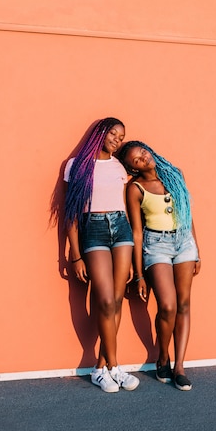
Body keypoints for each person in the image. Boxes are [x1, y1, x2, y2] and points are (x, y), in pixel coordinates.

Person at [62, 117, 139, 393]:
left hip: (121, 229)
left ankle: (102, 367)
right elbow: (69, 213)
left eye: (122, 137)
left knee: (116, 301)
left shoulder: (120, 166)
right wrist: (74, 253)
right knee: (105, 300)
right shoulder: (77, 166)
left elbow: (127, 207)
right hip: (92, 230)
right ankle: (114, 366)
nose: (118, 140)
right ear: (101, 132)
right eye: (115, 134)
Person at [118, 141, 201, 391]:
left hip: (184, 240)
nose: (143, 158)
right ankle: (162, 356)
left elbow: (187, 213)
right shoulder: (135, 188)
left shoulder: (175, 175)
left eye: (143, 152)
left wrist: (197, 249)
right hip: (156, 245)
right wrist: (140, 273)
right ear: (133, 169)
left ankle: (179, 368)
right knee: (167, 305)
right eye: (136, 160)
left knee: (184, 304)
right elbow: (136, 232)